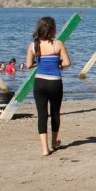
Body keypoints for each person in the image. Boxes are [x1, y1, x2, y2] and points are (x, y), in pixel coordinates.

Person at [26, 16, 71, 156]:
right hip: (54, 82)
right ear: (52, 29)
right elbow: (67, 63)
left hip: (39, 82)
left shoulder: (33, 45)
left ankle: (45, 149)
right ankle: (54, 142)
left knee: (42, 115)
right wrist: (57, 64)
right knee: (55, 113)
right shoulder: (58, 44)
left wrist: (38, 64)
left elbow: (28, 65)